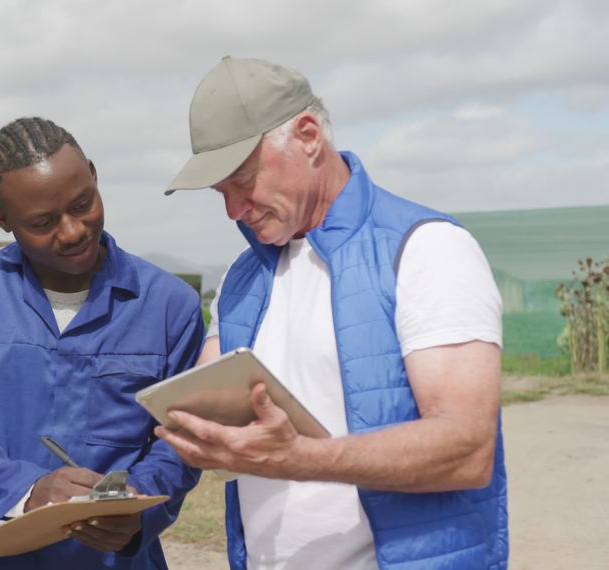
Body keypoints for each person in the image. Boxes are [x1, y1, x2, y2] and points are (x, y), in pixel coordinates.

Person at [158, 57, 509, 569]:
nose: (233, 210)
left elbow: (467, 449)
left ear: (307, 136)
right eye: (220, 193)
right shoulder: (241, 277)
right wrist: (200, 433)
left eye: (242, 180)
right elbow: (210, 405)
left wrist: (299, 459)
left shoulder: (427, 250)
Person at [0, 117, 204, 570]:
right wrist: (27, 492)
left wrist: (138, 505)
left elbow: (181, 438)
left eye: (83, 204)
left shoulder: (168, 306)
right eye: (43, 222)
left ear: (95, 176)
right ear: (2, 219)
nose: (72, 231)